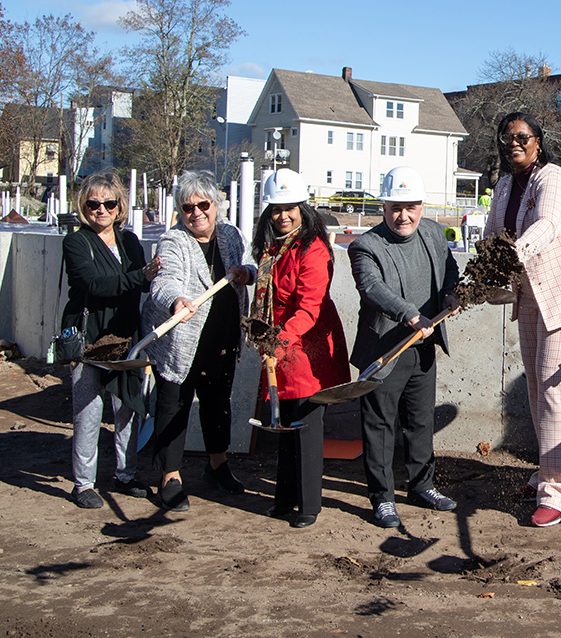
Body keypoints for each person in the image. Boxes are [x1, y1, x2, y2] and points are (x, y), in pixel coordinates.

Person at [484, 112, 561, 528]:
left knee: (554, 388)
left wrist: (507, 258)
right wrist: (479, 275)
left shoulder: (553, 178)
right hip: (529, 294)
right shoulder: (502, 187)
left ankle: (557, 492)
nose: (513, 142)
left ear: (538, 140)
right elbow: (492, 236)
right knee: (536, 386)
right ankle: (544, 474)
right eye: (506, 136)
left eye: (522, 136)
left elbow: (547, 225)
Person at [349, 165, 460, 529]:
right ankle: (381, 497)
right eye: (395, 207)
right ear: (383, 207)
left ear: (422, 206)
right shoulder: (366, 246)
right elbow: (373, 289)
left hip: (423, 347)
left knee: (420, 421)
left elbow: (449, 268)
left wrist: (451, 293)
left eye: (410, 206)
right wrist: (410, 314)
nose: (403, 215)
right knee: (379, 425)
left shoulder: (432, 233)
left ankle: (421, 485)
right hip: (385, 350)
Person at [142, 170, 257, 512]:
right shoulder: (174, 241)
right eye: (188, 208)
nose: (197, 214)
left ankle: (217, 464)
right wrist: (177, 300)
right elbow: (164, 281)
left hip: (222, 338)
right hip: (182, 342)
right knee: (173, 405)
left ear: (216, 205)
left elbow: (249, 265)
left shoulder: (230, 235)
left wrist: (246, 274)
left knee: (218, 403)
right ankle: (170, 476)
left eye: (203, 205)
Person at [252, 169, 350, 529]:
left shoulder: (313, 248)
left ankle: (309, 505)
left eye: (290, 207)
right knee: (285, 425)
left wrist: (278, 342)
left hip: (307, 347)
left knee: (306, 424)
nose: (283, 215)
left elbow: (309, 306)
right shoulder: (270, 247)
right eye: (276, 209)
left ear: (302, 208)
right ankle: (284, 499)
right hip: (278, 344)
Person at [60, 170, 159, 508]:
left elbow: (146, 284)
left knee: (128, 406)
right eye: (93, 203)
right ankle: (83, 484)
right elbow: (94, 283)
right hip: (90, 337)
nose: (100, 210)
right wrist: (138, 276)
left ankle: (125, 475)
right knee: (88, 411)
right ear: (82, 206)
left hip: (126, 334)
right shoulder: (76, 242)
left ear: (120, 207)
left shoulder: (130, 241)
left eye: (108, 203)